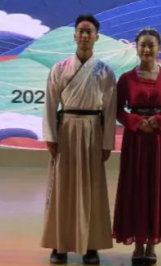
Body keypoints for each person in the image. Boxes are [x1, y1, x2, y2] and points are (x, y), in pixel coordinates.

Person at [41, 15, 117, 265]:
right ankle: (59, 244)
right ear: (74, 36)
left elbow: (110, 110)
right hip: (66, 130)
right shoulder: (59, 68)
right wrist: (51, 137)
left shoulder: (105, 71)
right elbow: (50, 105)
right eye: (81, 31)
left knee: (92, 188)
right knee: (62, 187)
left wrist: (107, 143)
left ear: (97, 37)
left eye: (89, 32)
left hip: (93, 130)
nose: (85, 36)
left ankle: (91, 245)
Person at [113, 27, 161, 265]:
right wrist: (134, 121)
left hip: (159, 141)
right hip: (136, 140)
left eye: (151, 45)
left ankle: (152, 244)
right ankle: (138, 245)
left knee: (157, 188)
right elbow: (117, 109)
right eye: (142, 45)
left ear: (159, 48)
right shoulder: (126, 79)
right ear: (136, 47)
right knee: (136, 188)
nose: (146, 50)